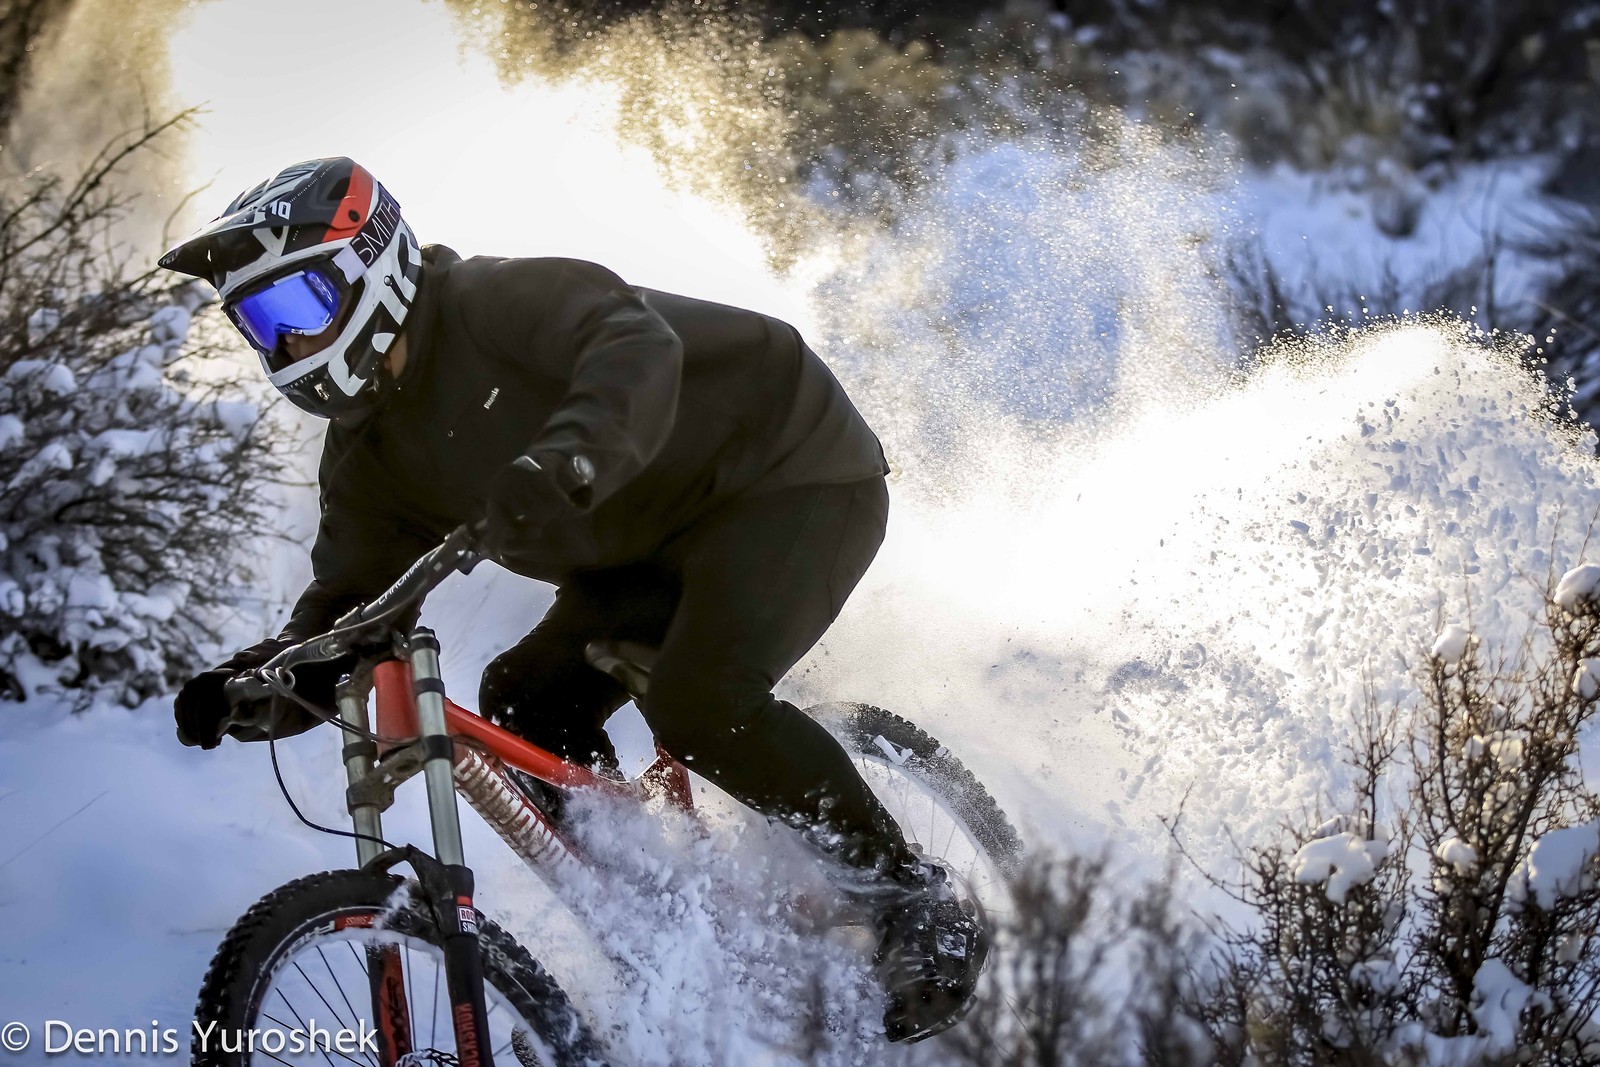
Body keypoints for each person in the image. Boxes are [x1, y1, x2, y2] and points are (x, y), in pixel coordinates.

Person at [160, 157, 983, 1042]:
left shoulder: (491, 302)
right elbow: (353, 608)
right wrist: (263, 685)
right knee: (526, 701)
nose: (284, 346)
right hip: (642, 554)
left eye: (297, 310)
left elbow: (633, 349)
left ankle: (915, 898)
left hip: (787, 473)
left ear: (369, 264)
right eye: (260, 323)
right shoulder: (369, 461)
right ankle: (679, 913)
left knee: (701, 704)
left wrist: (565, 460)